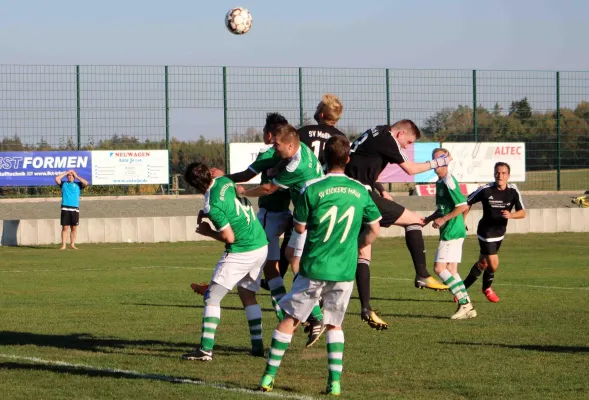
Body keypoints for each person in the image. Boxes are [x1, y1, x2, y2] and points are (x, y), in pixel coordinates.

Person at [259, 135, 381, 396]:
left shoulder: (312, 188)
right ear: (348, 159)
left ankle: (268, 377)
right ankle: (335, 383)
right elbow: (375, 228)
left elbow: (300, 226)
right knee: (334, 325)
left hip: (314, 266)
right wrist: (358, 244)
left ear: (324, 159)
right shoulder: (360, 190)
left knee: (289, 319)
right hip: (344, 270)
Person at [344, 120, 452, 330]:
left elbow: (360, 164)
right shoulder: (388, 138)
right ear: (401, 133)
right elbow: (410, 169)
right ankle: (422, 274)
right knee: (413, 220)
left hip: (351, 192)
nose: (405, 147)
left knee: (364, 250)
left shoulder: (375, 131)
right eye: (407, 142)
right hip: (362, 195)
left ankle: (366, 308)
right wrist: (439, 162)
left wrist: (381, 189)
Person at [193, 113, 292, 321]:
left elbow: (247, 177)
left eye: (265, 132)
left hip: (271, 213)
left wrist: (222, 178)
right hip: (292, 211)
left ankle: (290, 317)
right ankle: (302, 316)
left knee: (272, 270)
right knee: (291, 264)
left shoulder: (268, 154)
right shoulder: (296, 153)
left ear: (270, 134)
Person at [243, 123, 326, 347]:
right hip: (310, 212)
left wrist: (242, 192)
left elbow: (269, 189)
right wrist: (277, 166)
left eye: (277, 146)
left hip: (311, 216)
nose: (275, 148)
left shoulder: (296, 166)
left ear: (290, 144)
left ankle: (316, 314)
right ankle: (303, 312)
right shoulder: (303, 150)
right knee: (289, 256)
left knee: (297, 263)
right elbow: (284, 162)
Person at [181, 162, 268, 361]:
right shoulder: (225, 180)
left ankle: (205, 350)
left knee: (212, 297)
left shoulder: (212, 205)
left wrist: (208, 231)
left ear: (194, 185)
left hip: (242, 251)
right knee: (247, 295)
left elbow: (229, 238)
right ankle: (257, 347)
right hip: (260, 244)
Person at [461, 162, 526, 302]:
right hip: (486, 232)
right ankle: (487, 288)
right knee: (493, 264)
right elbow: (467, 201)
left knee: (483, 263)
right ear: (494, 173)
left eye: (503, 173)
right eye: (497, 172)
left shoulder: (513, 190)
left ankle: (461, 290)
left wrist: (511, 215)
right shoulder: (486, 189)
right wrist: (462, 220)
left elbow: (522, 213)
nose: (500, 176)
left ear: (508, 175)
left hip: (500, 232)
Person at [424, 148, 477, 320]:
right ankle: (468, 306)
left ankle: (464, 303)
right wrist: (429, 218)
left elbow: (462, 205)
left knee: (439, 268)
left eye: (439, 159)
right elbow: (443, 208)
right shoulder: (440, 182)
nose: (435, 163)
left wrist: (444, 219)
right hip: (452, 229)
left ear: (446, 161)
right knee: (452, 270)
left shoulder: (448, 180)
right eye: (434, 159)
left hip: (452, 230)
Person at [297, 94, 346, 165]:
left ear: (321, 115)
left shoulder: (303, 132)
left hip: (306, 175)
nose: (316, 108)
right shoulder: (341, 138)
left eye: (318, 108)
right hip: (328, 175)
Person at [55, 169, 88, 250]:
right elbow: (57, 179)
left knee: (74, 228)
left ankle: (72, 244)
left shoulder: (78, 185)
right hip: (65, 207)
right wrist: (67, 172)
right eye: (69, 175)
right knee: (65, 227)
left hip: (75, 209)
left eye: (72, 175)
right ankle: (63, 245)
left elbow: (86, 183)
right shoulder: (64, 184)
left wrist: (76, 176)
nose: (70, 177)